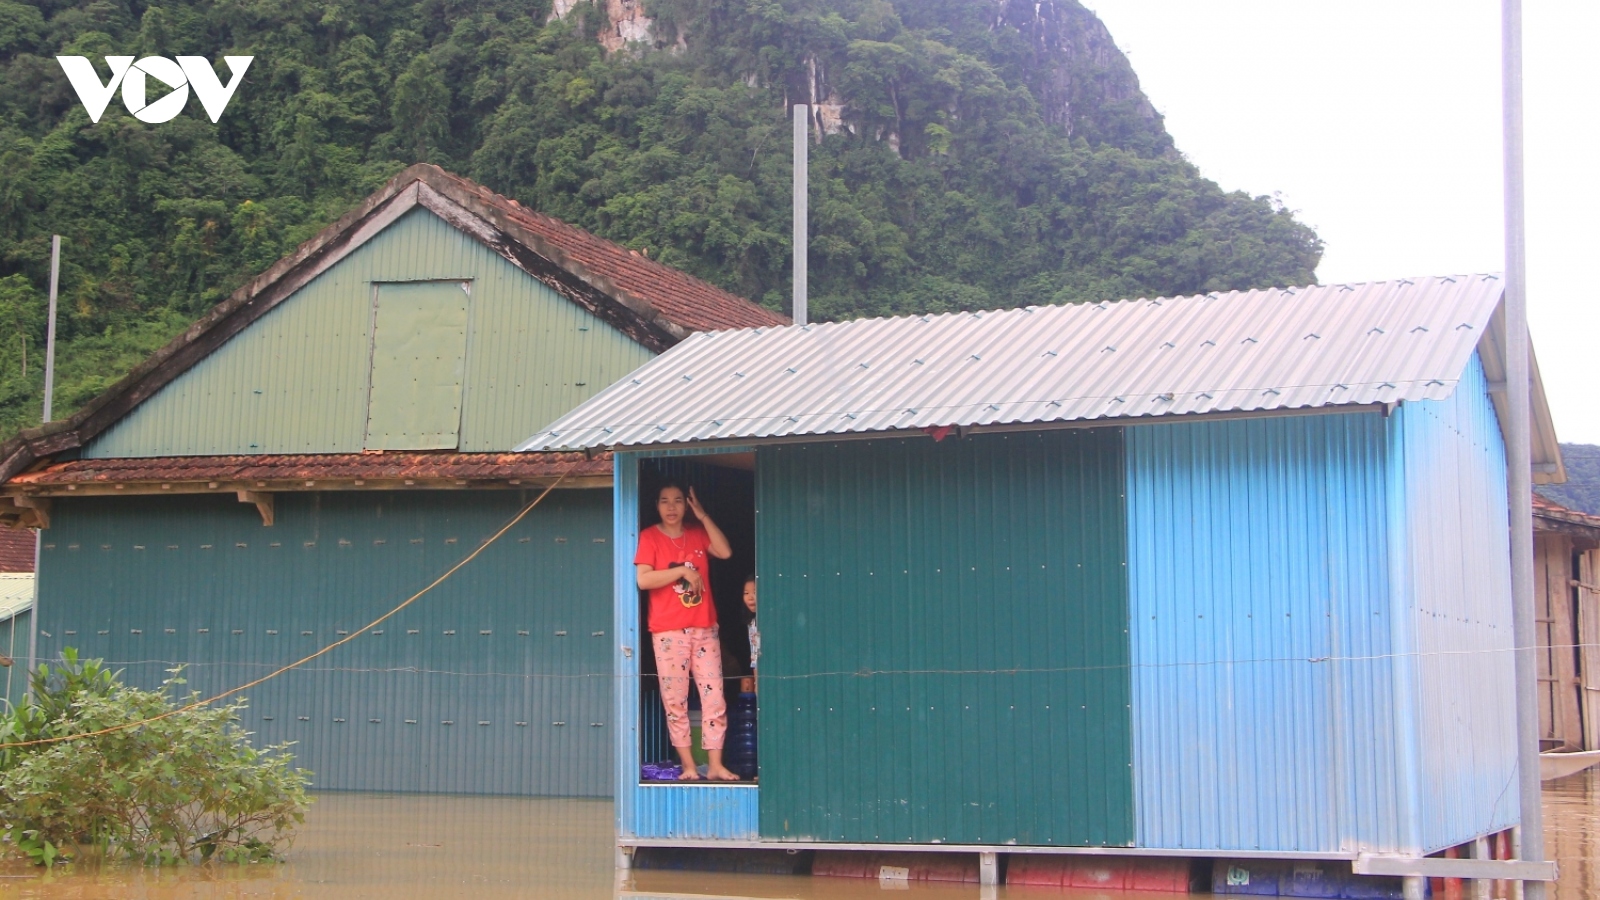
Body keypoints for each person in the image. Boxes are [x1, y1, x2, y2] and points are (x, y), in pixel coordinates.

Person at [634, 483, 738, 781]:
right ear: (656, 505)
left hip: (705, 628)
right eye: (665, 501)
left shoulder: (696, 532)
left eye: (678, 501)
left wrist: (703, 515)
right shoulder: (649, 537)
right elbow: (644, 580)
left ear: (687, 505)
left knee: (714, 698)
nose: (671, 507)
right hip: (668, 632)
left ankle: (715, 765)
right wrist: (682, 571)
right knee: (675, 700)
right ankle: (689, 766)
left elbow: (725, 551)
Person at [742, 576, 759, 694]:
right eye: (746, 593)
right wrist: (757, 682)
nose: (750, 597)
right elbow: (755, 656)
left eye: (755, 592)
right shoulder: (752, 623)